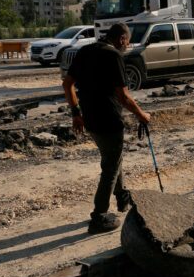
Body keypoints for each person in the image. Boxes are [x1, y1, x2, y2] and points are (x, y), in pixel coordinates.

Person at [62, 23, 151, 234]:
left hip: (89, 119)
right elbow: (123, 96)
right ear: (121, 39)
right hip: (109, 119)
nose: (127, 45)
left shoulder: (85, 51)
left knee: (113, 158)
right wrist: (142, 115)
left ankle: (122, 197)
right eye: (127, 41)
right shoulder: (114, 56)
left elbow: (67, 84)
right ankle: (99, 217)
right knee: (110, 167)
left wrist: (76, 113)